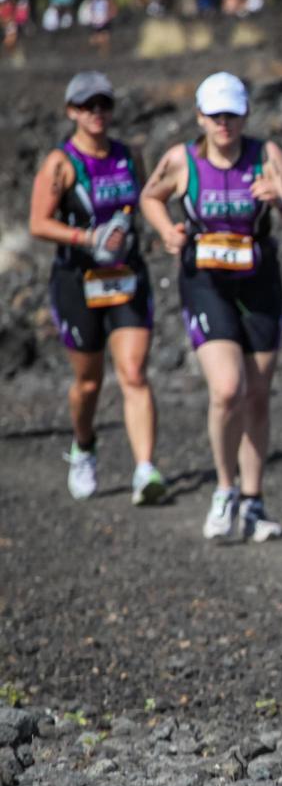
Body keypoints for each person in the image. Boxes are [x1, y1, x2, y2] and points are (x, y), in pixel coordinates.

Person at [139, 72, 282, 542]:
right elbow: (150, 197)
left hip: (260, 284)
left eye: (232, 114)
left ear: (244, 115)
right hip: (206, 284)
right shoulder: (181, 160)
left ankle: (254, 502)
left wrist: (280, 202)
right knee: (227, 389)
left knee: (257, 395)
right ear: (200, 116)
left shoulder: (266, 157)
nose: (224, 123)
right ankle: (224, 488)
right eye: (215, 115)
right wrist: (167, 231)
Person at [28, 71, 166, 505]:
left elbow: (145, 203)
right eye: (88, 106)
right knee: (89, 383)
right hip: (78, 280)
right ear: (72, 112)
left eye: (104, 104)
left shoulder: (130, 156)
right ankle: (84, 446)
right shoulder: (61, 164)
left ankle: (145, 469)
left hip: (126, 276)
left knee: (134, 372)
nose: (97, 113)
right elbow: (38, 223)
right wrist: (88, 238)